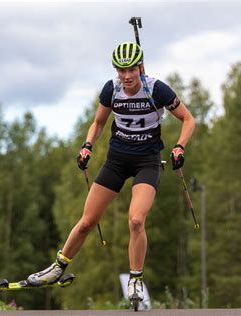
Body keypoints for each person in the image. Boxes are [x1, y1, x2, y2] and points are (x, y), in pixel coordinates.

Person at [27, 41, 196, 303]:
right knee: (86, 222)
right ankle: (57, 268)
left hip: (147, 162)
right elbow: (98, 122)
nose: (127, 76)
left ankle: (136, 280)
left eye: (131, 70)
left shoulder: (157, 89)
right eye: (121, 70)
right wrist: (87, 147)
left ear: (140, 67)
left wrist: (179, 146)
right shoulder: (112, 89)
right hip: (116, 161)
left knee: (136, 220)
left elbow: (188, 119)